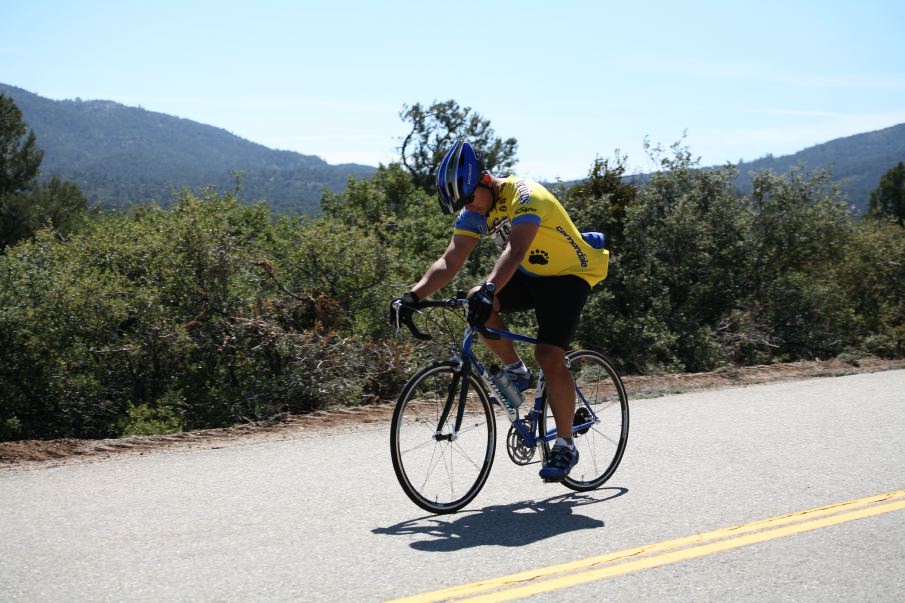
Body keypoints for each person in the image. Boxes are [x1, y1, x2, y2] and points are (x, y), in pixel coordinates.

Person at [390, 140, 609, 481]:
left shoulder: (524, 195)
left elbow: (517, 248)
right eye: (462, 206)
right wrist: (412, 296)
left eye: (469, 200)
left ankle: (565, 445)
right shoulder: (476, 212)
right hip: (533, 274)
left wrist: (492, 285)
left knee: (549, 356)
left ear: (485, 181)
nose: (470, 210)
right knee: (476, 300)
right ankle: (515, 370)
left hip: (570, 275)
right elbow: (451, 260)